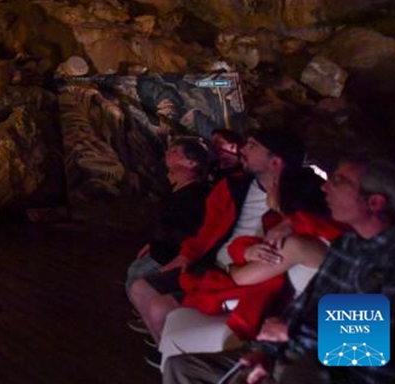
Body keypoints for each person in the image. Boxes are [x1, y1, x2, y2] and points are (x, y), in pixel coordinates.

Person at [163, 156, 395, 384]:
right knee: (183, 368)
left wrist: (290, 335)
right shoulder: (346, 245)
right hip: (299, 353)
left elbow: (371, 341)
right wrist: (267, 351)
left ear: (375, 202)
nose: (325, 187)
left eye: (338, 182)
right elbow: (306, 305)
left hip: (346, 372)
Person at [131, 129, 305, 348]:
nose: (242, 149)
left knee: (159, 307)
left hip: (247, 276)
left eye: (252, 146)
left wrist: (290, 222)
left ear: (276, 162)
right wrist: (187, 254)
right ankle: (169, 351)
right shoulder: (232, 187)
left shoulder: (301, 197)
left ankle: (180, 353)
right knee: (139, 288)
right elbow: (207, 231)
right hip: (217, 264)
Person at [157, 166, 343, 365]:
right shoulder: (286, 227)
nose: (267, 188)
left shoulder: (294, 242)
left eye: (273, 184)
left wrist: (230, 267)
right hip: (278, 318)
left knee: (177, 353)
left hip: (282, 329)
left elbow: (241, 277)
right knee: (176, 319)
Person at [127, 137, 213, 300]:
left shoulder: (197, 195)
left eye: (175, 151)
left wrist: (162, 243)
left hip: (173, 256)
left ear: (191, 163)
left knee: (137, 278)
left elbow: (189, 232)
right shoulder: (176, 189)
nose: (168, 153)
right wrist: (153, 243)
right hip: (162, 251)